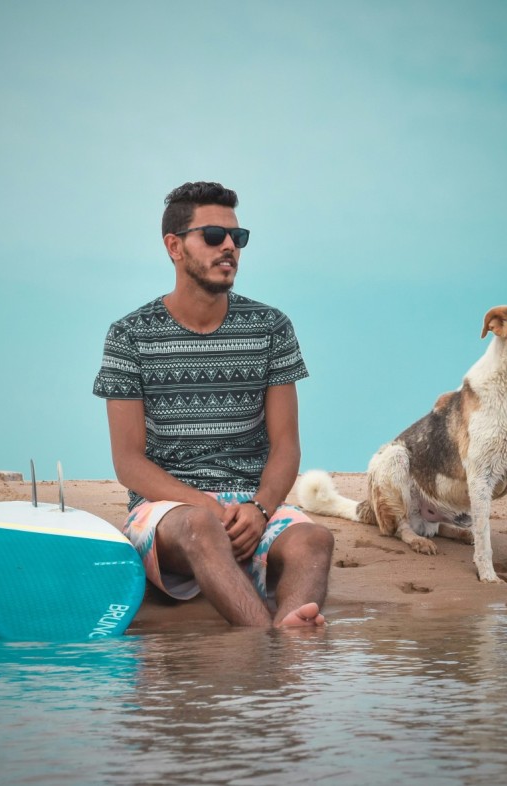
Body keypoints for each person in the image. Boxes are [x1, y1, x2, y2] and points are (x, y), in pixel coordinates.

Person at [93, 181, 334, 628]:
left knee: (314, 540)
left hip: (254, 506)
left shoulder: (270, 327)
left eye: (237, 238)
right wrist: (206, 507)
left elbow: (286, 446)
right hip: (170, 511)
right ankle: (266, 641)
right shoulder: (130, 335)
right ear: (174, 247)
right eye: (213, 236)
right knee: (201, 529)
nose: (229, 247)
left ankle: (290, 632)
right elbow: (128, 462)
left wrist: (260, 509)